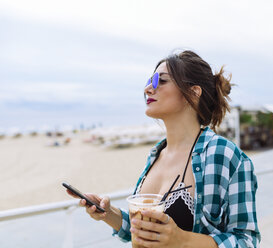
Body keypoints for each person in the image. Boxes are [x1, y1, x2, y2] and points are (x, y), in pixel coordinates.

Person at [66, 50, 260, 247]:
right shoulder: (156, 155)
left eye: (161, 80)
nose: (148, 89)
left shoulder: (223, 155)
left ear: (193, 93)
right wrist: (108, 213)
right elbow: (143, 232)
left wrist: (182, 240)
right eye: (150, 81)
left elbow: (247, 241)